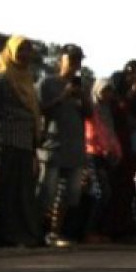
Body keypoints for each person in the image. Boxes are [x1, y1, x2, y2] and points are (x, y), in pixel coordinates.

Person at [0, 36, 45, 247]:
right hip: (3, 142)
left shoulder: (28, 80)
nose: (25, 55)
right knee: (3, 191)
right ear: (10, 52)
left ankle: (20, 234)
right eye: (21, 51)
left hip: (24, 144)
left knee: (21, 193)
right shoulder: (1, 78)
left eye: (28, 51)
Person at [36, 44, 90, 246]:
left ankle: (56, 233)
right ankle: (38, 232)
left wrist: (83, 97)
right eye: (72, 59)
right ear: (62, 60)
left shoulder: (80, 86)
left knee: (71, 195)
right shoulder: (47, 83)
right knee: (46, 193)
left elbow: (90, 115)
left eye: (78, 60)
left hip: (75, 148)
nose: (75, 64)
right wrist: (63, 96)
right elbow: (41, 110)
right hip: (54, 145)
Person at [84, 78, 121, 243]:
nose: (107, 94)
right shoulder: (91, 109)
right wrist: (102, 149)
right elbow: (92, 132)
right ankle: (89, 230)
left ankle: (98, 229)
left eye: (109, 91)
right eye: (104, 90)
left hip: (107, 156)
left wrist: (116, 151)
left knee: (106, 193)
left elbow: (110, 132)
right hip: (93, 154)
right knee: (99, 193)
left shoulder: (107, 110)